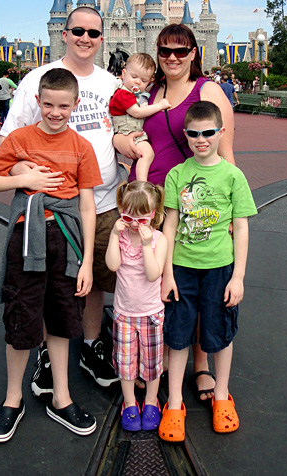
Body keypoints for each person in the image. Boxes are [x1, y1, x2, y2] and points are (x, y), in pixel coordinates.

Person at [0, 6, 139, 390]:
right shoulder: (36, 81)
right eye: (78, 30)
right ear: (64, 33)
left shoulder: (112, 84)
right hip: (54, 209)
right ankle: (47, 350)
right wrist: (27, 176)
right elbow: (9, 142)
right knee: (48, 281)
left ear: (103, 36)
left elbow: (120, 128)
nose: (85, 39)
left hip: (104, 201)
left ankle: (92, 344)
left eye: (94, 33)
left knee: (92, 278)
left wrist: (127, 142)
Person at [0, 68, 101, 443]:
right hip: (27, 236)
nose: (55, 112)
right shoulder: (19, 139)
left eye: (63, 106)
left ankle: (61, 397)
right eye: (48, 104)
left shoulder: (81, 147)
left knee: (63, 316)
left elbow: (87, 207)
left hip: (66, 240)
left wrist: (88, 262)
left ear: (75, 105)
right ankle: (12, 398)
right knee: (20, 314)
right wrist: (23, 180)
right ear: (38, 102)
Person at [129, 23, 235, 403]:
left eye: (180, 50)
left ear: (194, 52)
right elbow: (129, 127)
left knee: (199, 282)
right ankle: (157, 358)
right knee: (156, 284)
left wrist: (230, 219)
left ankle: (201, 363)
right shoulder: (151, 91)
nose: (172, 58)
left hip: (193, 203)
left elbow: (226, 155)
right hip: (148, 201)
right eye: (164, 51)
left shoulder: (208, 92)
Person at [159, 101, 256, 442]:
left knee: (220, 333)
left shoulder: (232, 175)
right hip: (183, 268)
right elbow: (169, 224)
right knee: (178, 333)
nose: (202, 140)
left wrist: (239, 276)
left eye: (208, 133)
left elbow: (241, 227)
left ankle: (221, 395)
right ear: (186, 135)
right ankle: (173, 403)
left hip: (219, 268)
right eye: (194, 134)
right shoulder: (177, 174)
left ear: (220, 132)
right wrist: (166, 273)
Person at [105, 181, 168, 431]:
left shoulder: (158, 239)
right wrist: (112, 234)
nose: (134, 223)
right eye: (128, 216)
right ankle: (130, 403)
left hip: (151, 312)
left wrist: (145, 245)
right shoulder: (120, 236)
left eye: (142, 219)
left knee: (152, 362)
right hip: (124, 313)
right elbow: (112, 265)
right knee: (125, 361)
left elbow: (154, 274)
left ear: (153, 214)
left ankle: (151, 402)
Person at [109, 53, 171, 181]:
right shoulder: (123, 94)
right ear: (124, 74)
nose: (137, 81)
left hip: (132, 131)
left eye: (143, 80)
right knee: (147, 153)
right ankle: (142, 182)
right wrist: (160, 105)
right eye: (134, 76)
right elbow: (137, 112)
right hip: (128, 131)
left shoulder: (135, 94)